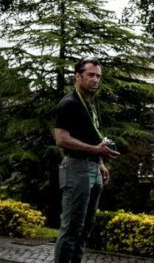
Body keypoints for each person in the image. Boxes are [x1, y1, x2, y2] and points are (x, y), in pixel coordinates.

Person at [53, 57, 120, 263]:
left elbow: (91, 135)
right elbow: (61, 139)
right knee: (72, 227)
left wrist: (100, 162)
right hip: (76, 168)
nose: (95, 80)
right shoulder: (69, 103)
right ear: (77, 76)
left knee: (85, 228)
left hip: (93, 168)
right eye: (90, 75)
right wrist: (95, 150)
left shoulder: (90, 103)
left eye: (98, 76)